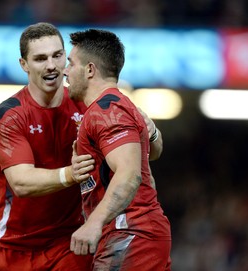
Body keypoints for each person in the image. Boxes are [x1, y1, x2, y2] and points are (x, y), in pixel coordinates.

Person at [0, 22, 162, 270]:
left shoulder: (89, 103)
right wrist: (70, 173)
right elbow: (21, 182)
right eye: (40, 58)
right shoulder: (9, 115)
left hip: (70, 245)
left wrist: (152, 133)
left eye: (58, 56)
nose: (52, 65)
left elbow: (146, 151)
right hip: (13, 247)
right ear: (24, 65)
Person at [64, 29, 172, 270]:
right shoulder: (117, 106)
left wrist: (94, 223)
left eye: (71, 63)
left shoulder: (107, 111)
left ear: (90, 70)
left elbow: (128, 173)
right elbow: (153, 152)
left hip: (130, 231)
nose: (65, 71)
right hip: (134, 233)